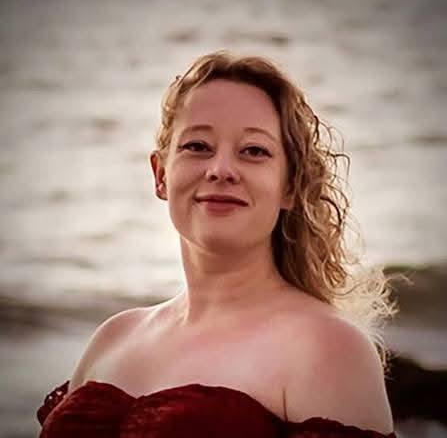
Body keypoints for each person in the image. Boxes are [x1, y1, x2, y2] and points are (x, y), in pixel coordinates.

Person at [37, 51, 397, 437]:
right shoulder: (113, 337)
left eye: (253, 151)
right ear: (160, 175)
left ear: (290, 186)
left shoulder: (328, 348)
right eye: (197, 146)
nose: (221, 170)